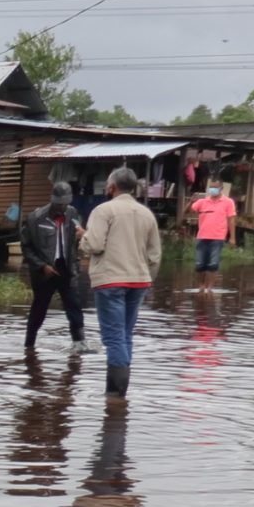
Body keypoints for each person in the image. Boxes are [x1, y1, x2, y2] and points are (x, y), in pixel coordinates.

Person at [80, 165, 162, 398]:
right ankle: (118, 397)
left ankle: (115, 395)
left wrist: (82, 238)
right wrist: (147, 279)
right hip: (139, 282)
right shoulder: (146, 214)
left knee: (114, 337)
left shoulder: (103, 210)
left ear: (112, 187)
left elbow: (94, 245)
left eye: (107, 183)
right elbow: (155, 255)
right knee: (125, 335)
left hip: (110, 281)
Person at [19, 183, 87, 352]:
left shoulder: (73, 214)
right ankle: (29, 345)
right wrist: (42, 266)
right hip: (45, 271)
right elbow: (26, 247)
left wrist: (83, 236)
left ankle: (80, 344)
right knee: (39, 309)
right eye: (59, 204)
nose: (62, 207)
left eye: (65, 204)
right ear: (52, 200)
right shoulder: (35, 218)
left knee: (74, 306)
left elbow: (76, 241)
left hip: (67, 268)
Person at [187, 179, 238, 282]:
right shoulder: (202, 202)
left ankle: (209, 289)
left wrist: (232, 238)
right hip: (202, 237)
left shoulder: (228, 202)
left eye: (215, 187)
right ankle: (201, 288)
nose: (212, 189)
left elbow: (231, 221)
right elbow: (188, 212)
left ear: (221, 189)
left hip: (217, 238)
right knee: (199, 265)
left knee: (213, 264)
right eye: (211, 187)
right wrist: (190, 202)